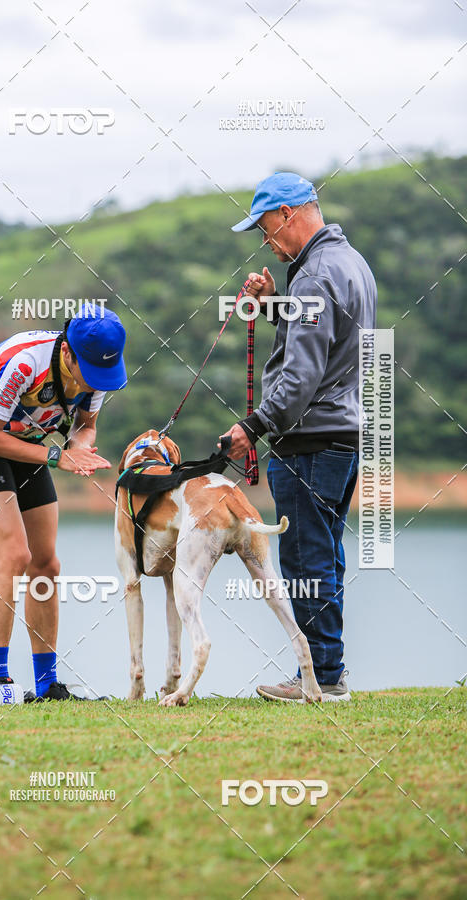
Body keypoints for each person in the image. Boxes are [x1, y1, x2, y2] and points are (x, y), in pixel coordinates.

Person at [220, 172, 377, 702]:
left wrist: (254, 426)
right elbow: (324, 344)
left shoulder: (312, 277)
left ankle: (323, 680)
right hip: (345, 436)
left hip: (311, 441)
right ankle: (328, 670)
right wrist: (271, 305)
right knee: (325, 554)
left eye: (265, 228)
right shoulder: (348, 263)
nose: (265, 241)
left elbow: (302, 375)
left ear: (287, 214)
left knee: (308, 560)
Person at [0, 307, 126, 701]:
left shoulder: (97, 370)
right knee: (14, 554)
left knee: (47, 563)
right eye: (87, 371)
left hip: (30, 446)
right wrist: (58, 457)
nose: (95, 382)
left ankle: (46, 684)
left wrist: (79, 447)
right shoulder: (26, 364)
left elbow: (86, 426)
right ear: (69, 353)